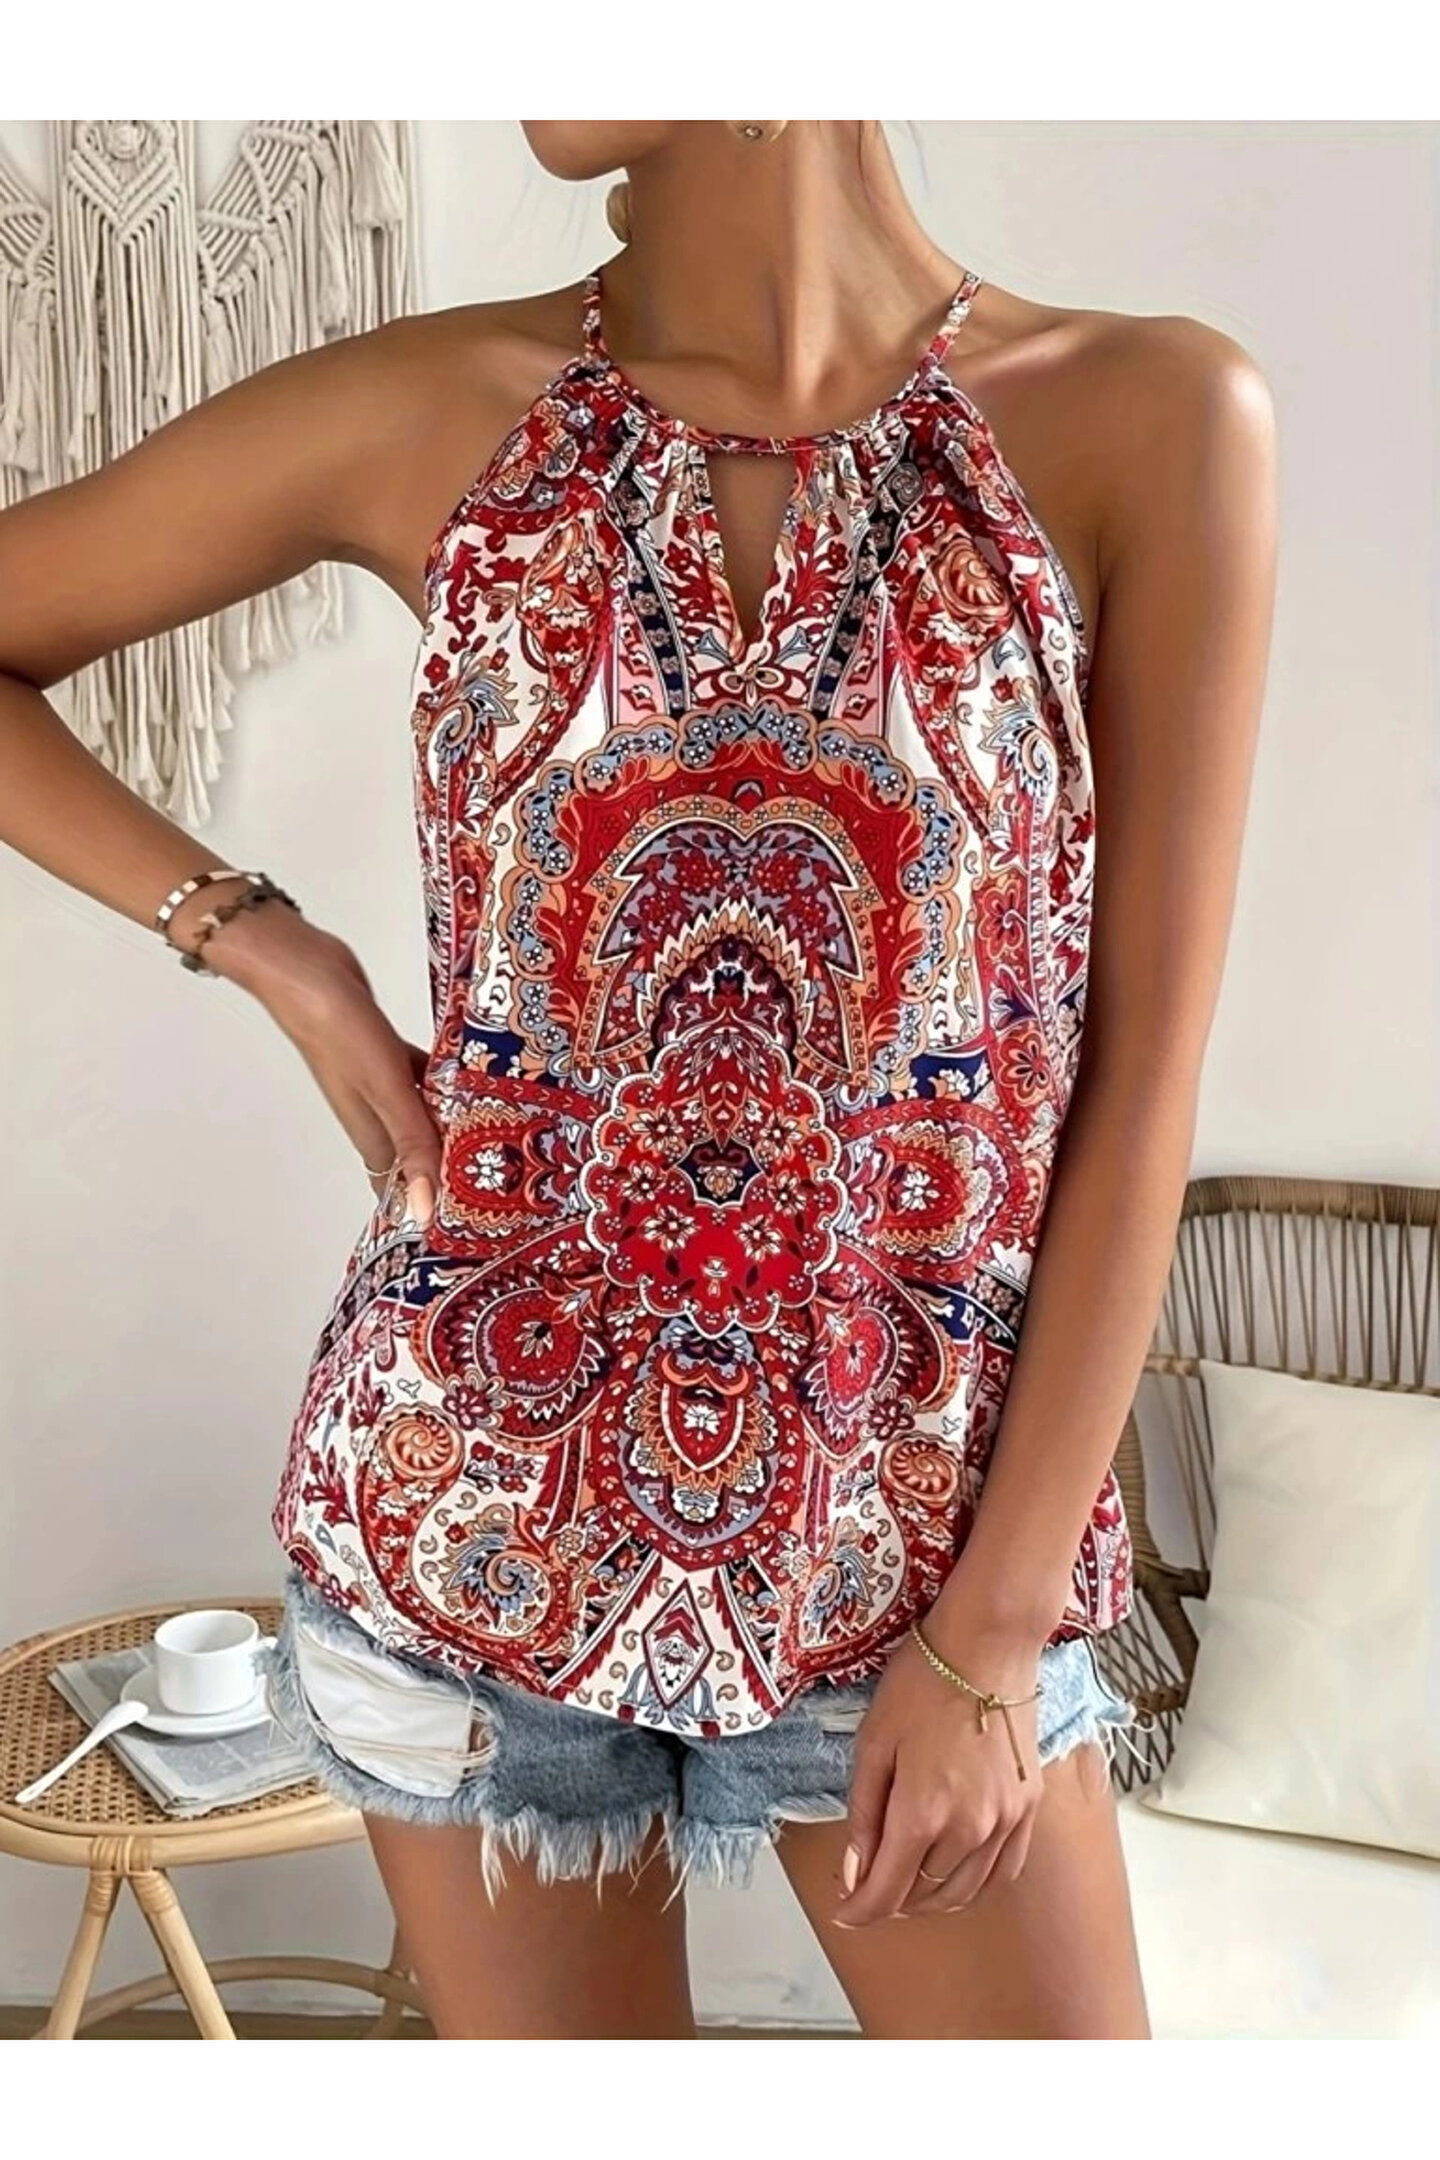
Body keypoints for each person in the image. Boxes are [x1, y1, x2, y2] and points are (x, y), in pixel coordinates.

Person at [0, 121, 1275, 2039]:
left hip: (925, 1565)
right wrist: (269, 946)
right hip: (466, 1522)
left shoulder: (1152, 415)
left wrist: (996, 1639)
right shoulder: (433, 405)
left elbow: (1141, 1083)